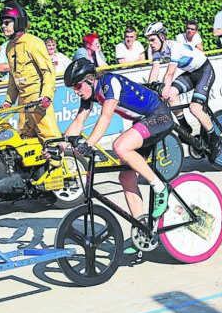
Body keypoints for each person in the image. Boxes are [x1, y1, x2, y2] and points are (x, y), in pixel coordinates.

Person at [62, 58, 174, 252]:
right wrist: (60, 145)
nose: (77, 91)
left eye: (78, 86)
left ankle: (159, 187)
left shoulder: (109, 83)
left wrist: (89, 144)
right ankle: (143, 231)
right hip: (143, 121)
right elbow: (79, 121)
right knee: (126, 177)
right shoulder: (89, 94)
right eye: (73, 88)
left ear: (90, 79)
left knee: (120, 146)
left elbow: (106, 116)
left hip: (159, 116)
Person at [145, 22, 222, 161]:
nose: (150, 43)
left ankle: (214, 138)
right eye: (148, 40)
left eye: (152, 39)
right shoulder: (155, 50)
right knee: (171, 95)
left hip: (205, 71)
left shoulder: (174, 47)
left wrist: (164, 89)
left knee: (195, 108)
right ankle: (185, 126)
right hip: (191, 73)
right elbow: (155, 70)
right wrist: (150, 88)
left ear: (162, 37)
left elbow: (170, 73)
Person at [0, 2, 60, 142]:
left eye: (7, 22)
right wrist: (9, 101)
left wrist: (46, 96)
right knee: (25, 139)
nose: (3, 26)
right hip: (23, 101)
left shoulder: (33, 42)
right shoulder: (9, 47)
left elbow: (48, 71)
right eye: (2, 23)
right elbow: (13, 78)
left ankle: (59, 163)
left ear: (18, 22)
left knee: (50, 138)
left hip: (38, 99)